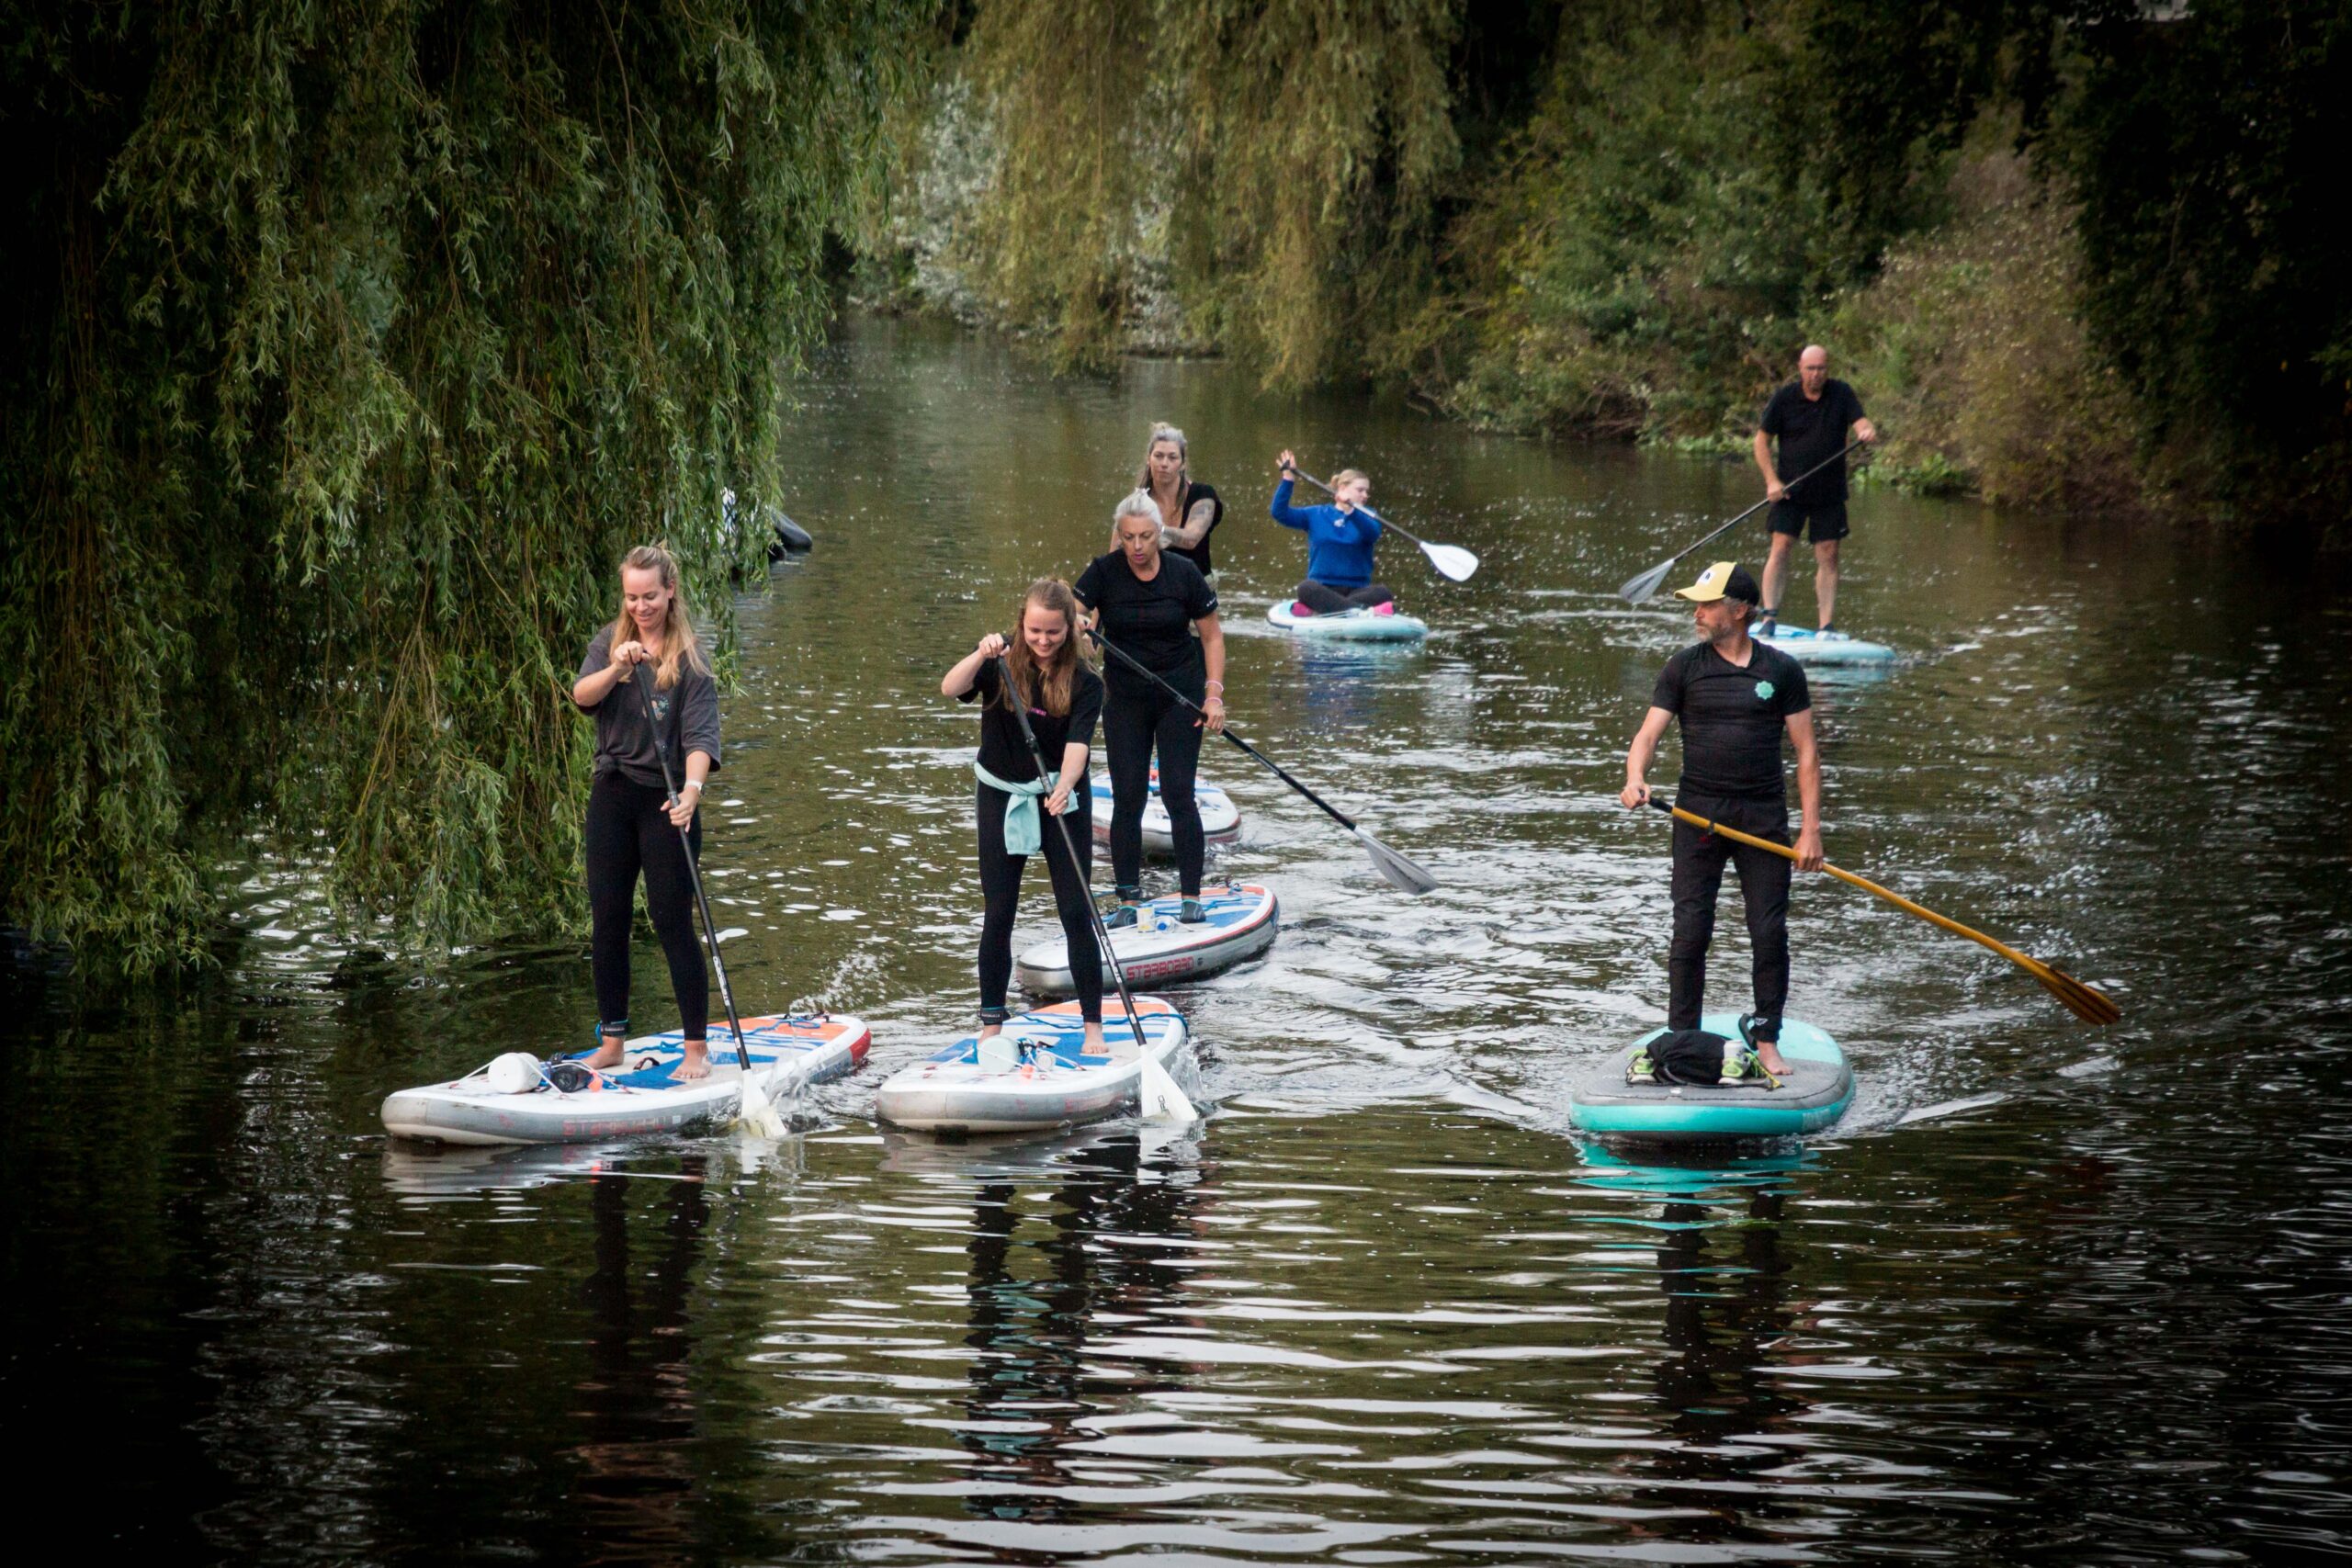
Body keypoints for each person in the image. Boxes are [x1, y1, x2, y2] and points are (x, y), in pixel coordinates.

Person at [1619, 561, 1824, 1078]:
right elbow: (1647, 736)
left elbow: (1806, 754)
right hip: (1696, 817)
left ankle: (1767, 1036)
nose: (1698, 613)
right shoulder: (1683, 668)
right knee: (1690, 930)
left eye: (1707, 604)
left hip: (1762, 821)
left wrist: (1811, 830)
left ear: (1740, 610)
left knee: (1768, 931)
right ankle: (1681, 1037)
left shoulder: (1781, 671)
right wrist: (1636, 776)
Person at [571, 545, 722, 1079]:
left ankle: (697, 1050)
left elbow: (701, 739)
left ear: (670, 591)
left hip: (667, 801)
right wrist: (614, 668)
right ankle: (612, 1041)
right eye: (632, 597)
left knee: (670, 920)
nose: (640, 606)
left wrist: (692, 791)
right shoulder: (607, 645)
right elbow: (582, 697)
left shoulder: (691, 662)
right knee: (607, 919)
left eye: (650, 596)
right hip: (613, 796)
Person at [942, 580, 1109, 1054]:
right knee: (999, 913)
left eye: (1053, 633)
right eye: (1034, 630)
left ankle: (1092, 1025)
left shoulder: (1085, 681)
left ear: (1068, 632)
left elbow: (1079, 745)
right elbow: (949, 687)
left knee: (1077, 912)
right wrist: (980, 653)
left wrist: (1064, 786)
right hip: (1001, 794)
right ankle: (992, 1023)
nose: (1042, 640)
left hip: (1061, 796)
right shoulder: (999, 664)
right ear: (1021, 624)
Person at [1075, 491, 1227, 925]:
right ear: (1119, 537)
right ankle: (1127, 900)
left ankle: (1191, 896)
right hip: (1125, 697)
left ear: (1159, 534)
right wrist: (1079, 627)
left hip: (1180, 694)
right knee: (1129, 798)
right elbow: (1072, 608)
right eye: (1128, 538)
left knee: (1179, 793)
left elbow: (1213, 637)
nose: (1138, 547)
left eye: (1145, 537)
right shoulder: (1105, 571)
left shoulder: (1184, 574)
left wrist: (1213, 695)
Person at [1751, 344, 1877, 637]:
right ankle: (1769, 617)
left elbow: (1862, 421)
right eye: (1810, 369)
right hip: (1789, 491)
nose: (1816, 374)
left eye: (1821, 368)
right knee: (1780, 548)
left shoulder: (1842, 393)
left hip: (1829, 492)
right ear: (1800, 368)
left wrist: (1865, 430)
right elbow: (1761, 442)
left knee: (1829, 554)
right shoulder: (1784, 399)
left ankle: (1826, 625)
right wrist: (1772, 481)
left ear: (1827, 369)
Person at [1270, 449, 1394, 615]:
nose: (1365, 495)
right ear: (1342, 488)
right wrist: (1288, 479)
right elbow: (1279, 513)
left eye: (1367, 491)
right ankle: (1360, 612)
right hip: (1323, 588)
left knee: (1383, 592)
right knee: (1305, 588)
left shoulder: (1368, 515)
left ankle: (1328, 610)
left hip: (1358, 591)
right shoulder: (1315, 514)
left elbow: (1372, 534)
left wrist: (1352, 512)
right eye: (1360, 490)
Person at [1138, 423, 1225, 581]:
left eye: (1172, 457)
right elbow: (1115, 555)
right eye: (1158, 456)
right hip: (1152, 590)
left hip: (1196, 591)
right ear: (1148, 459)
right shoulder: (1137, 503)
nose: (1164, 463)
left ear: (1183, 463)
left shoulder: (1202, 494)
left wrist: (1154, 532)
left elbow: (1191, 538)